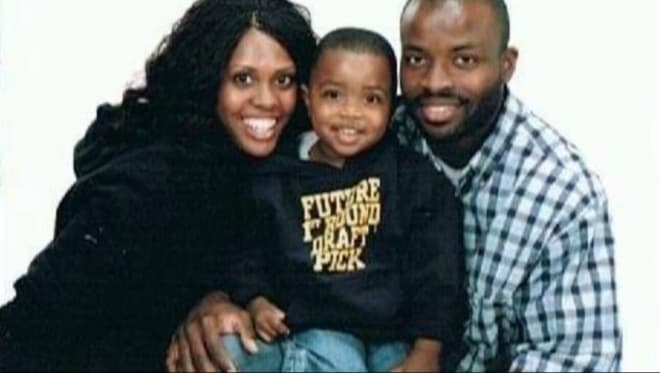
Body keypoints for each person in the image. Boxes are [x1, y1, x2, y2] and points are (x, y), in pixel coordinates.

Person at [0, 0, 316, 370]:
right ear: (207, 80)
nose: (266, 100)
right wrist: (200, 301)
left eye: (284, 80)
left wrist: (216, 296)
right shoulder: (146, 188)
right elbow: (27, 325)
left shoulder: (295, 168)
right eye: (242, 78)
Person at [217, 27, 466, 372]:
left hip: (393, 338)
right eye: (334, 95)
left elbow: (438, 275)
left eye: (371, 99)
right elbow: (248, 254)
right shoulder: (275, 175)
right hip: (311, 332)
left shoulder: (411, 178)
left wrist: (427, 351)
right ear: (307, 98)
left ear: (392, 108)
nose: (351, 112)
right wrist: (257, 302)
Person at [392, 0, 622, 371]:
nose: (435, 82)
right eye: (416, 59)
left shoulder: (561, 192)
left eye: (464, 60)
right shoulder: (377, 137)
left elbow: (569, 361)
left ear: (506, 64)